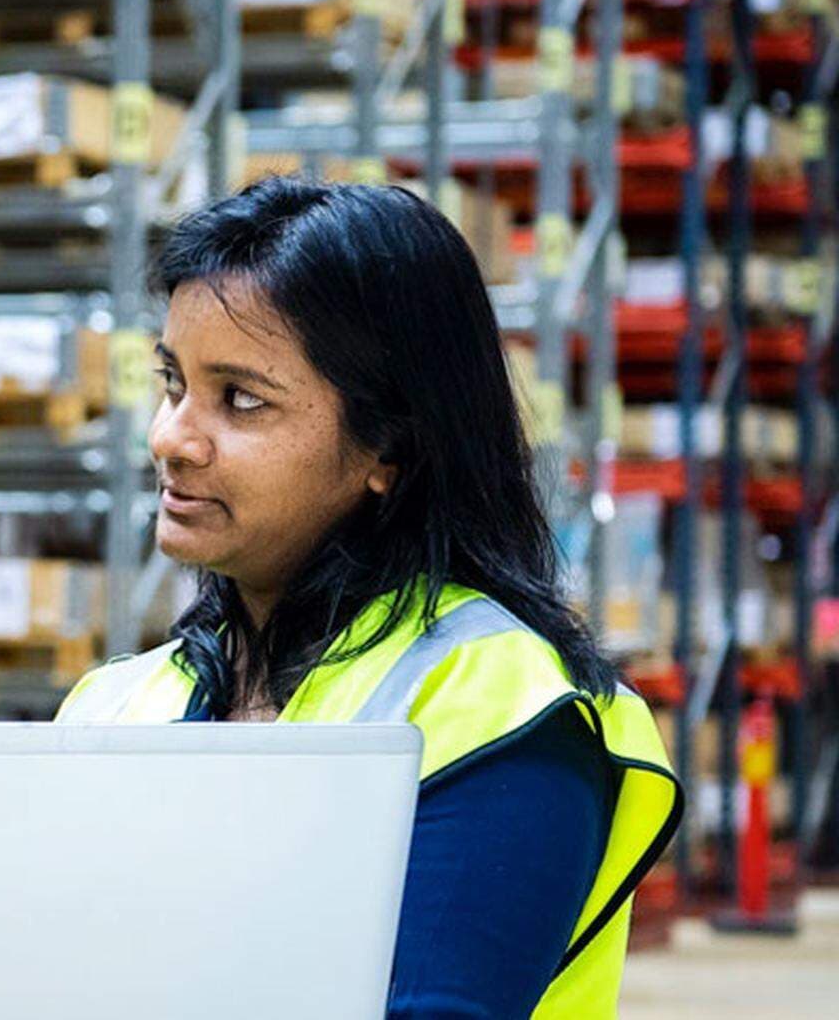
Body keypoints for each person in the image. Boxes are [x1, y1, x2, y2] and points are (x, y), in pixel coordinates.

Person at [56, 178, 681, 1018]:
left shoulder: (503, 712)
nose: (171, 437)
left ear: (387, 445)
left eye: (241, 399)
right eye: (174, 384)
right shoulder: (111, 707)